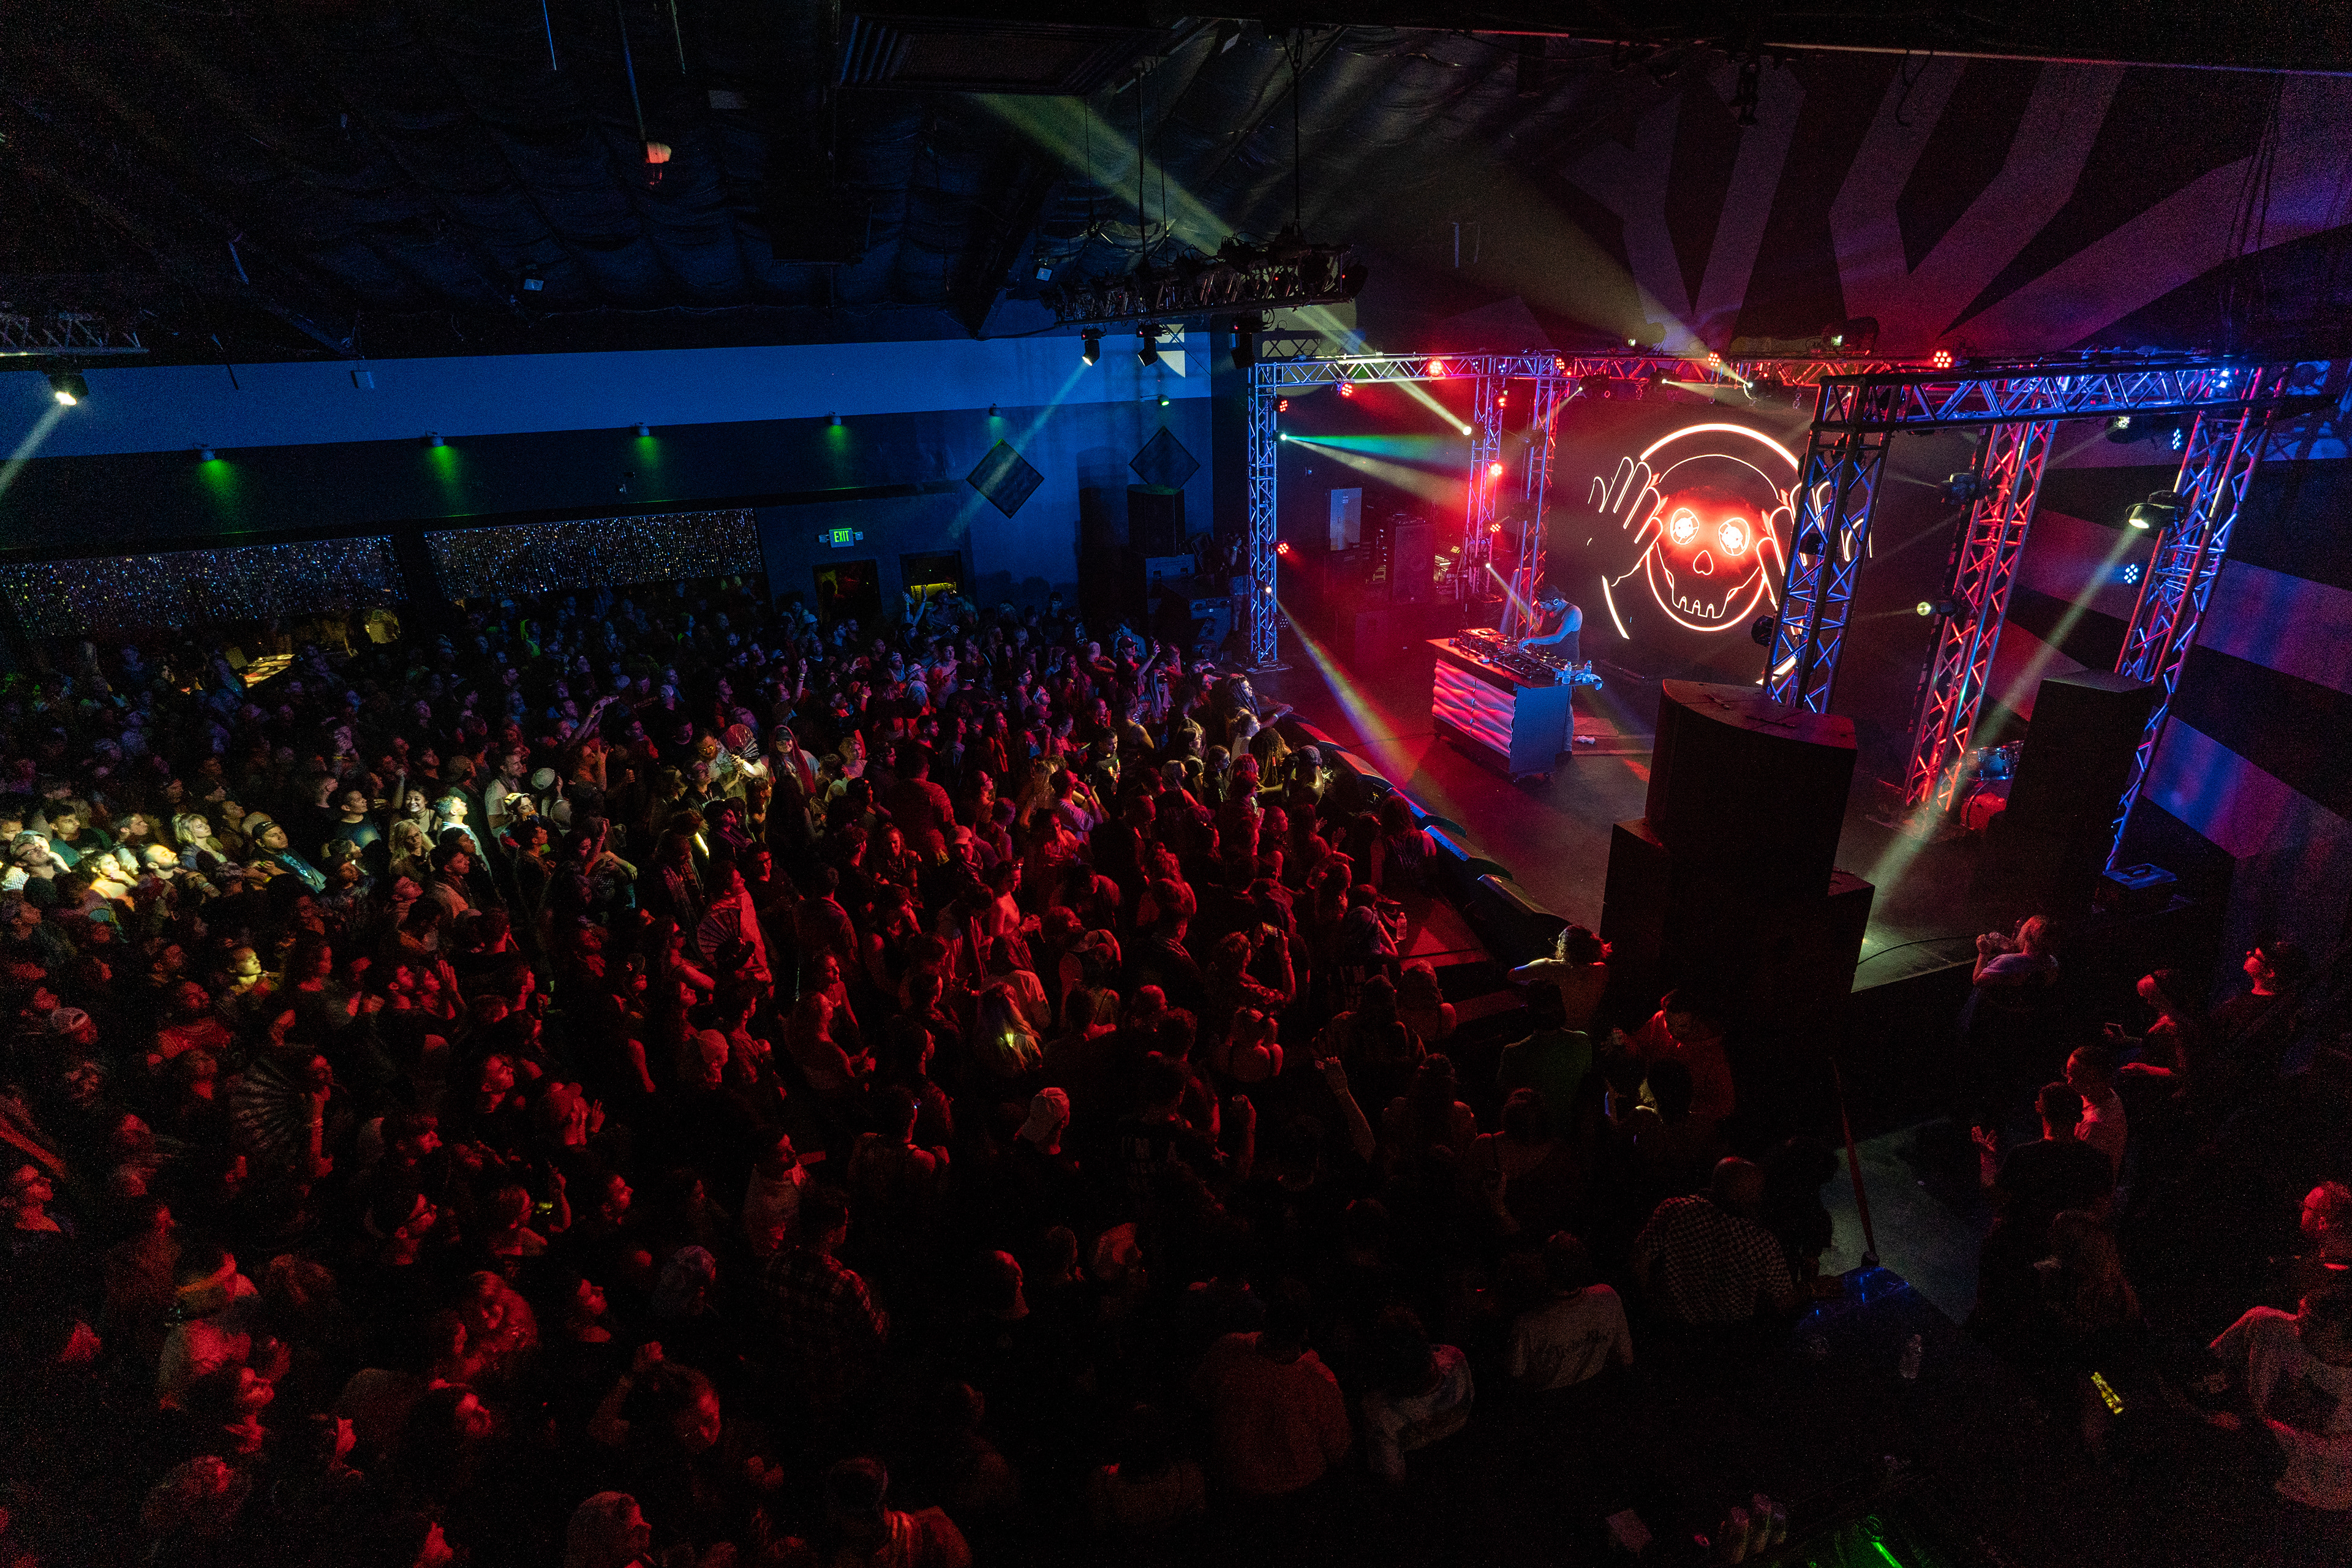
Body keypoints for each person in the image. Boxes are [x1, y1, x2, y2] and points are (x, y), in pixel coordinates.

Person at [1189, 1282, 1351, 1498]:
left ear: (1265, 1315)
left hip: (1232, 1487)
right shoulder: (1321, 1382)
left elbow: (1198, 1398)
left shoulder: (1228, 1349)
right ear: (1305, 1330)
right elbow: (1338, 1451)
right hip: (1299, 1492)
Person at [1632, 1158, 1800, 1334]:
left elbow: (1639, 1259)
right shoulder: (1760, 1239)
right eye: (1756, 1192)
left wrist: (1649, 1304)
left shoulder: (1674, 1209)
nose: (1759, 1198)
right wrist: (1813, 1288)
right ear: (1746, 1195)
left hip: (1668, 1329)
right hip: (1727, 1339)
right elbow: (1783, 1299)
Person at [1507, 1231, 1633, 1392]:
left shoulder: (1528, 1324)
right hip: (1597, 1397)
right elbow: (1626, 1357)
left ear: (1545, 1269)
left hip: (1552, 1408)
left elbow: (1515, 1374)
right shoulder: (1607, 1297)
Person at [1516, 584, 1583, 663]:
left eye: (1543, 604)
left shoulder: (1573, 612)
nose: (1541, 607)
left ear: (1555, 601)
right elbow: (1544, 630)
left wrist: (1530, 640)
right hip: (1548, 657)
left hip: (1565, 662)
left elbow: (1557, 638)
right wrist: (1536, 636)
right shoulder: (1549, 610)